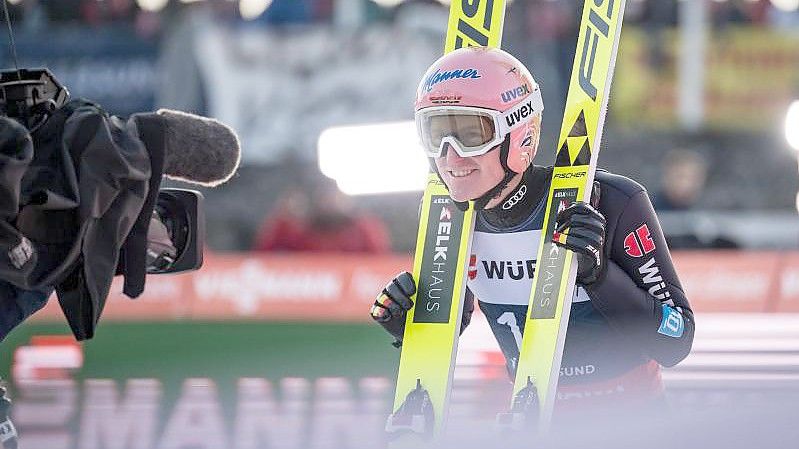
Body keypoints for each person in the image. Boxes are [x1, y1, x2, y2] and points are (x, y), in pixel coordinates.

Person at [369, 47, 695, 417]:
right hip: (535, 422)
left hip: (634, 423)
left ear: (518, 135)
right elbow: (451, 323)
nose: (451, 157)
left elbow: (677, 340)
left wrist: (599, 276)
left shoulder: (608, 200)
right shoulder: (449, 216)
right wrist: (408, 325)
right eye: (436, 134)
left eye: (471, 135)